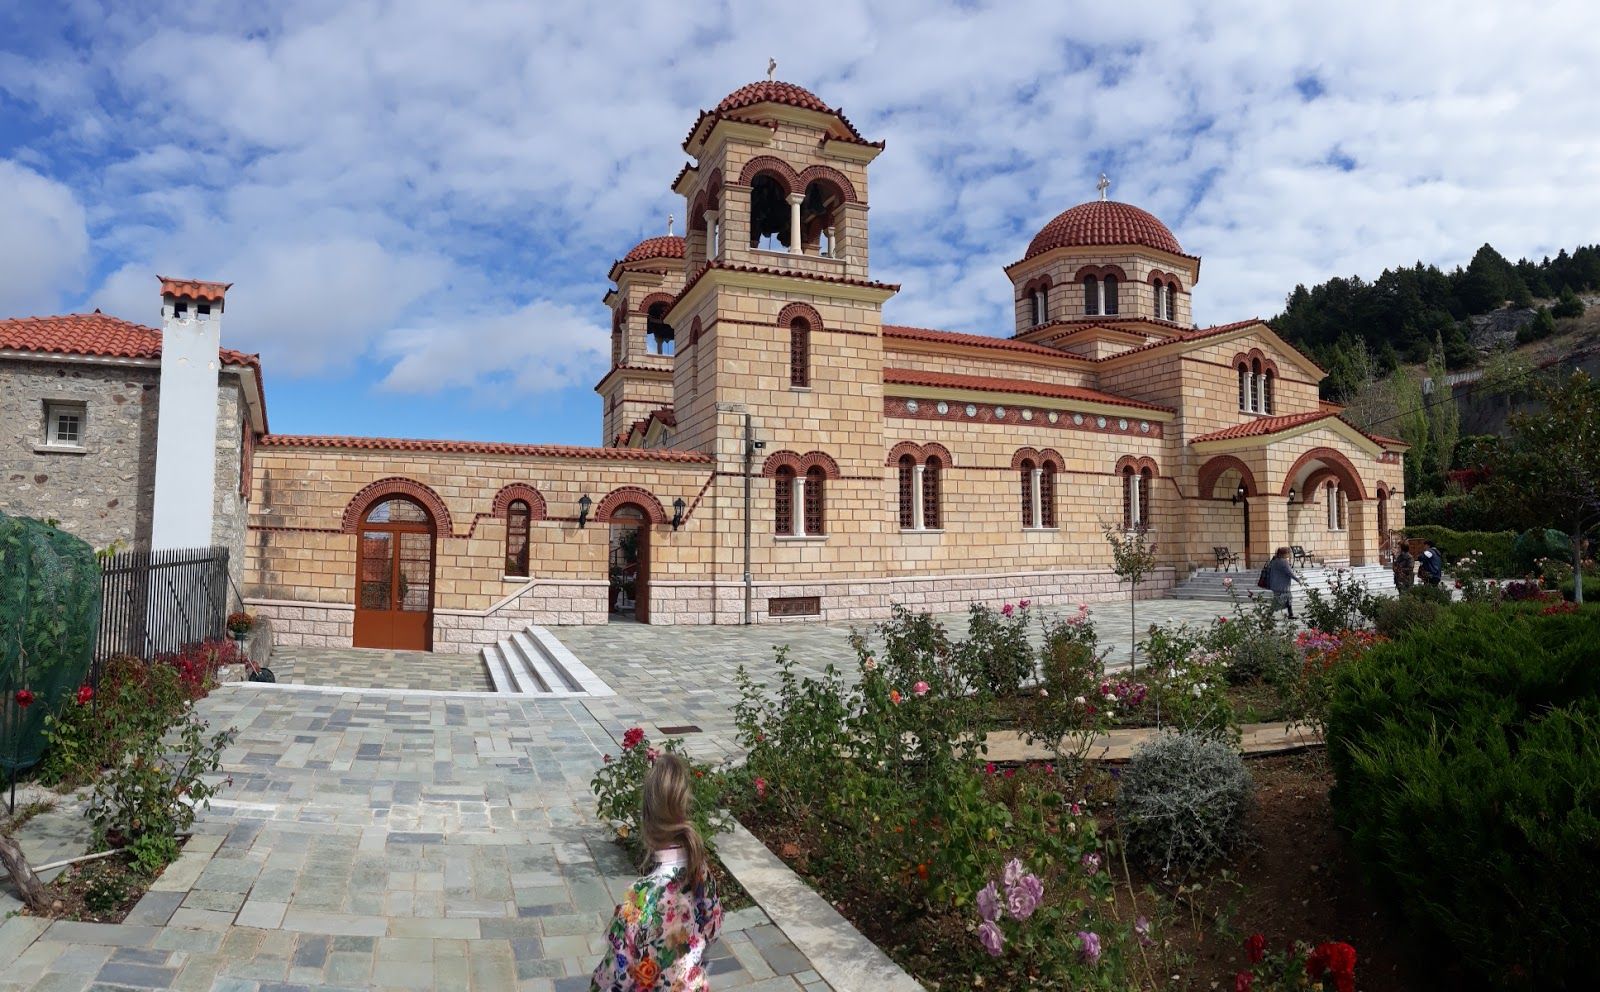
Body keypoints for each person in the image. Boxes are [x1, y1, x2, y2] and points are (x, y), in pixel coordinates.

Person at [591, 753, 723, 992]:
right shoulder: (701, 872)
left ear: (646, 821)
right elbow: (713, 929)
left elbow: (614, 978)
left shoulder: (640, 898)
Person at [1267, 546, 1305, 619]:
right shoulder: (1283, 562)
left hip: (1275, 584)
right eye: (1288, 553)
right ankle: (1268, 615)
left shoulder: (1275, 561)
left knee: (1288, 599)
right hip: (1282, 586)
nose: (1289, 554)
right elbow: (1289, 573)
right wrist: (1298, 580)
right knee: (1278, 601)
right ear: (1284, 554)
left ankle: (1290, 614)